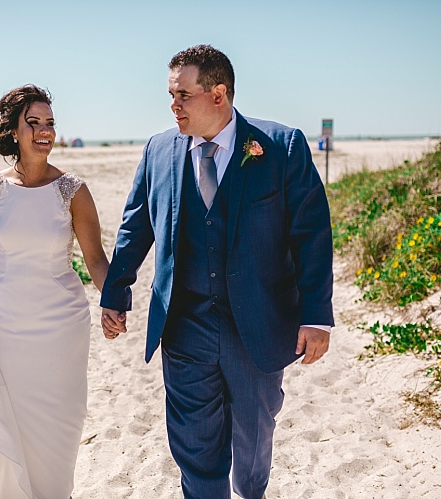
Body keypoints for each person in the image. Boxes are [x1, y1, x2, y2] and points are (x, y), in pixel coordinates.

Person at [99, 45, 335, 498]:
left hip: (260, 326)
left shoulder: (281, 147)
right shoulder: (158, 150)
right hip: (185, 326)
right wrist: (116, 292)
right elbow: (136, 225)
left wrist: (315, 315)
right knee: (195, 446)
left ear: (219, 94)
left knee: (253, 441)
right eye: (171, 95)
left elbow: (311, 235)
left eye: (183, 95)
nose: (174, 105)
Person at [0, 84, 110, 498]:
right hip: (7, 327)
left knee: (59, 431)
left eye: (49, 123)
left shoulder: (73, 190)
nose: (44, 131)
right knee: (8, 423)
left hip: (63, 329)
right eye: (33, 123)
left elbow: (96, 261)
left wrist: (115, 299)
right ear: (14, 131)